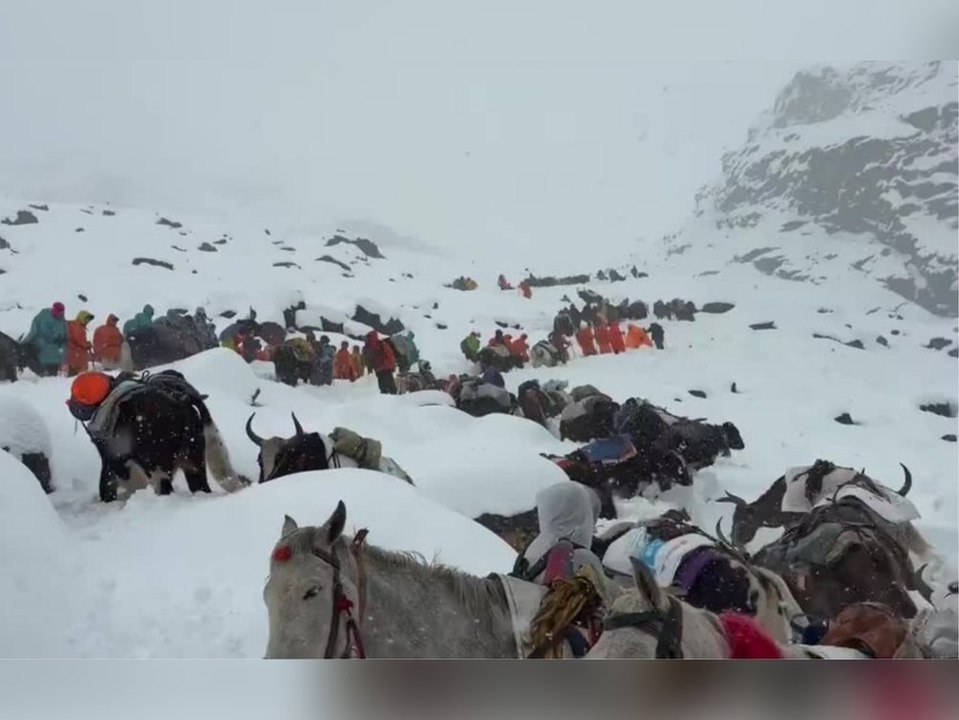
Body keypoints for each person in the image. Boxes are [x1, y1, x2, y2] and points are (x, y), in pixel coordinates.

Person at [24, 301, 68, 376]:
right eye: (58, 312)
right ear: (53, 310)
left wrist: (64, 339)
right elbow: (34, 332)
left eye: (61, 312)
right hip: (43, 352)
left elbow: (65, 334)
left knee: (50, 377)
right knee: (47, 377)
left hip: (54, 355)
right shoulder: (43, 317)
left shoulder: (62, 320)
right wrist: (25, 343)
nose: (59, 314)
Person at [66, 310, 95, 376]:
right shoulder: (77, 326)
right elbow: (78, 340)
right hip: (77, 356)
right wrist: (87, 345)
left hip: (74, 356)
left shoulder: (74, 325)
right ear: (82, 318)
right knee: (78, 376)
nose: (88, 322)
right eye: (87, 319)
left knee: (73, 376)